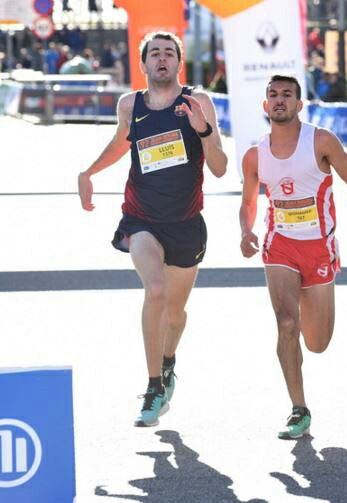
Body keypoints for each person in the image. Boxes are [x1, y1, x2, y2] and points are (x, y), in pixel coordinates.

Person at [77, 32, 227, 427]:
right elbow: (120, 143)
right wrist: (89, 172)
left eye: (169, 53)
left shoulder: (198, 102)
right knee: (155, 291)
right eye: (154, 53)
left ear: (179, 62)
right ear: (143, 63)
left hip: (186, 224)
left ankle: (168, 362)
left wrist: (203, 130)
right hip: (141, 218)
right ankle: (153, 386)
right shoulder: (130, 105)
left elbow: (220, 168)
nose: (162, 59)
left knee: (174, 314)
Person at [239, 75, 347, 439]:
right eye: (273, 95)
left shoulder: (320, 141)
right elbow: (248, 203)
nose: (279, 100)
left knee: (317, 342)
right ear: (265, 105)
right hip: (279, 245)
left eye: (287, 94)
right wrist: (246, 230)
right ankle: (298, 408)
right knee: (287, 324)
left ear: (299, 104)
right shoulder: (255, 155)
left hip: (318, 247)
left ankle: (308, 312)